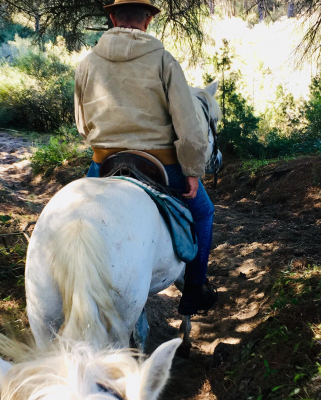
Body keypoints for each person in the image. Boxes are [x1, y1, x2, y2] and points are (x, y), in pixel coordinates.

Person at [74, 0, 217, 315]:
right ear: (149, 19)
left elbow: (82, 125)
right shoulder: (164, 61)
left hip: (104, 161)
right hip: (160, 162)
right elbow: (189, 126)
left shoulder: (87, 63)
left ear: (112, 17)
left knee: (77, 215)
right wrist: (192, 171)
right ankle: (194, 290)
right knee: (204, 212)